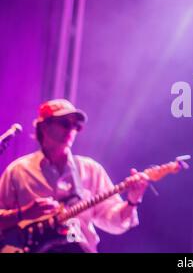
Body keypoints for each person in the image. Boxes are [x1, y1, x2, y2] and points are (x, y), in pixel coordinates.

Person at [0, 99, 149, 252]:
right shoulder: (18, 171)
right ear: (44, 126)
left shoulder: (91, 169)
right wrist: (24, 213)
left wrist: (133, 200)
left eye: (76, 126)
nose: (71, 129)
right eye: (65, 123)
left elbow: (114, 223)